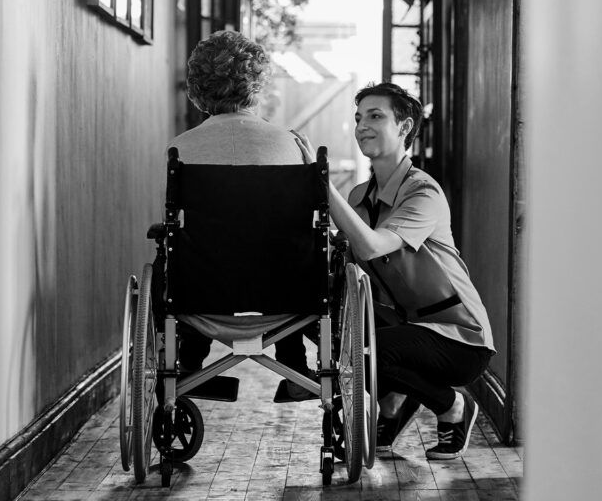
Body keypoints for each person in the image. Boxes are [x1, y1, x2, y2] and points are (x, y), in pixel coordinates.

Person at [294, 83, 495, 460]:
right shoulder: (358, 197)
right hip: (407, 326)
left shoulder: (424, 193)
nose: (362, 126)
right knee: (327, 325)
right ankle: (391, 405)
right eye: (358, 118)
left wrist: (320, 181)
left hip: (459, 337)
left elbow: (370, 245)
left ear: (404, 127)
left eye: (375, 116)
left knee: (368, 348)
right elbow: (350, 265)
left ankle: (453, 407)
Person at [169, 30, 316, 402]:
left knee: (191, 246)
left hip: (204, 290)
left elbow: (174, 221)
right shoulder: (291, 144)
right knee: (287, 242)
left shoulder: (181, 148)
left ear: (198, 87)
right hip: (284, 289)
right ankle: (295, 364)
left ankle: (189, 363)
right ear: (259, 84)